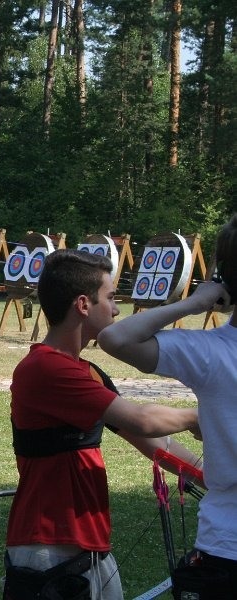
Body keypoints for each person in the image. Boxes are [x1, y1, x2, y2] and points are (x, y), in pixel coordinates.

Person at [3, 249, 201, 600]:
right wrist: (199, 416)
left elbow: (152, 443)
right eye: (110, 298)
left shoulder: (87, 371)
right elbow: (143, 420)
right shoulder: (45, 368)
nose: (116, 309)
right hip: (48, 549)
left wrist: (214, 477)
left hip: (88, 546)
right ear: (83, 304)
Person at [98, 216, 237, 592]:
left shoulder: (210, 352)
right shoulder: (212, 352)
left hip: (224, 547)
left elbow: (117, 338)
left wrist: (196, 302)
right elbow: (114, 338)